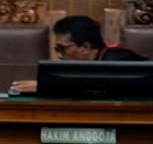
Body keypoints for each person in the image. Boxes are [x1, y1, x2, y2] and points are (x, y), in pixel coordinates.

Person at [11, 15, 149, 92]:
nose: (59, 55)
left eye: (63, 49)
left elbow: (98, 86)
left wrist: (46, 86)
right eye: (57, 49)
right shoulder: (92, 61)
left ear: (85, 47)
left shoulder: (117, 58)